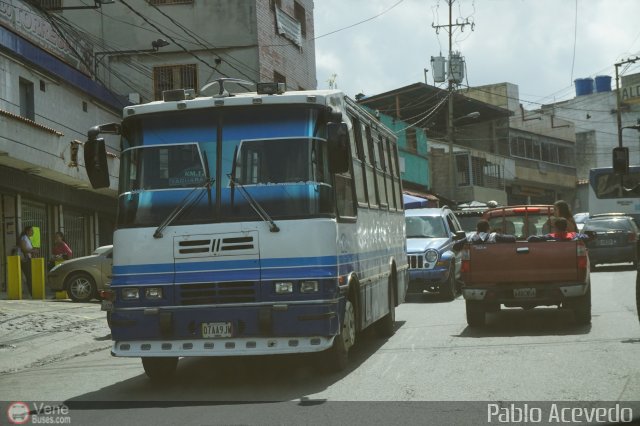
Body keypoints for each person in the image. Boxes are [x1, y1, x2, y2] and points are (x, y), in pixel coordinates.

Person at [17, 226, 38, 296]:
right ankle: (31, 292)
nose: (33, 232)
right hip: (25, 259)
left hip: (29, 258)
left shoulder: (28, 238)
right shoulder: (23, 238)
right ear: (27, 231)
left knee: (30, 276)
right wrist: (33, 251)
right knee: (29, 276)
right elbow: (24, 249)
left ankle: (31, 291)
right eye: (31, 231)